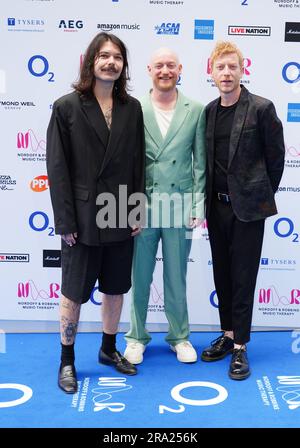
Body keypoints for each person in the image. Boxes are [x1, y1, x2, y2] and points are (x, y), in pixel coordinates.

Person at [46, 32, 145, 394]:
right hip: (83, 217)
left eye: (117, 57)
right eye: (103, 56)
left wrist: (137, 209)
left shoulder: (131, 108)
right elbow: (57, 168)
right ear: (91, 62)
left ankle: (108, 349)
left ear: (123, 65)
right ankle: (67, 360)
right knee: (73, 291)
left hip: (119, 211)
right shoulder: (67, 106)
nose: (111, 62)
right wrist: (65, 221)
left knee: (116, 288)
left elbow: (137, 164)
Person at [201, 41, 285, 380]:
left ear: (242, 69)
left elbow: (275, 160)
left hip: (248, 209)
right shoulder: (209, 111)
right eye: (220, 67)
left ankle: (240, 348)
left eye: (232, 67)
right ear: (212, 72)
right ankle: (228, 334)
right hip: (215, 207)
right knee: (222, 273)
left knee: (243, 276)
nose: (226, 73)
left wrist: (256, 195)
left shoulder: (262, 108)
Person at [124, 48, 206, 365]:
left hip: (180, 205)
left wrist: (197, 204)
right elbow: (125, 161)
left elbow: (200, 163)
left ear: (180, 69)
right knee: (139, 276)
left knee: (176, 276)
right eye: (159, 65)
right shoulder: (133, 108)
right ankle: (135, 337)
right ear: (149, 69)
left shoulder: (195, 109)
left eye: (171, 65)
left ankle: (179, 337)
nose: (165, 70)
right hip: (141, 206)